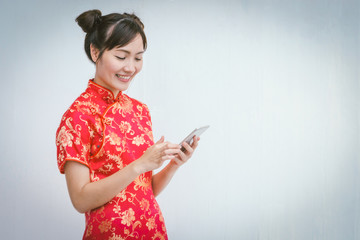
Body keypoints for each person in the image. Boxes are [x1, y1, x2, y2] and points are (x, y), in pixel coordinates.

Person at [55, 9, 200, 240]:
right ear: (95, 52)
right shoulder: (78, 116)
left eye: (138, 57)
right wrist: (140, 164)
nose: (130, 67)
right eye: (121, 57)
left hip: (153, 231)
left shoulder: (140, 110)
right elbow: (80, 200)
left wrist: (173, 164)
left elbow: (144, 189)